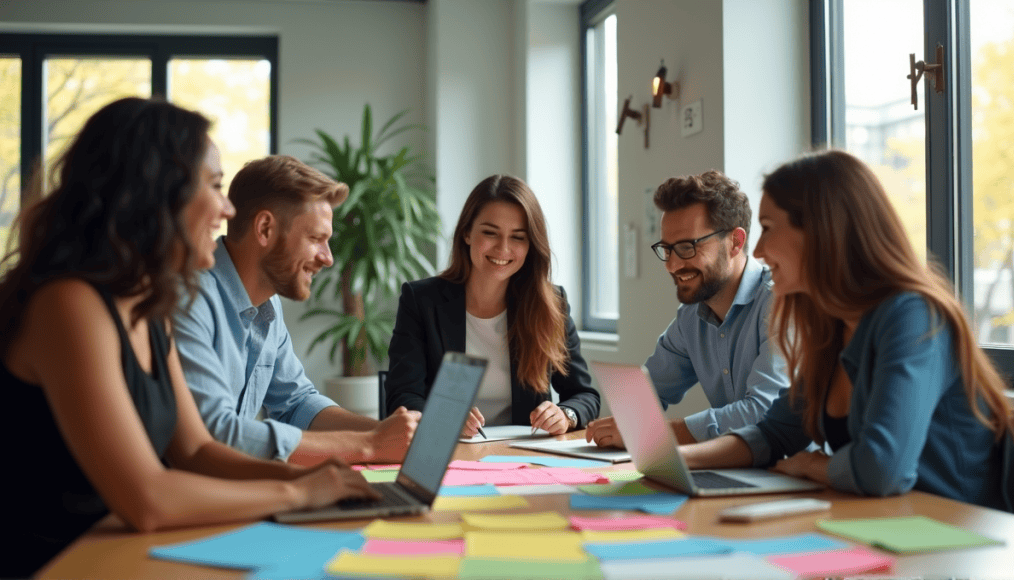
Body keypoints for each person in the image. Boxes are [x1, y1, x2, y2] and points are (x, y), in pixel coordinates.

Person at [0, 97, 378, 577]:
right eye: (216, 186)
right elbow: (147, 498)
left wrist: (322, 480)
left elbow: (197, 450)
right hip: (60, 563)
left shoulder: (149, 308)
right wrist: (300, 492)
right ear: (160, 194)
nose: (226, 209)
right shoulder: (70, 305)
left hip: (128, 552)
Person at [677, 150, 1014, 509]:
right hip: (884, 526)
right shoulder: (833, 327)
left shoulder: (914, 316)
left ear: (822, 231)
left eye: (769, 228)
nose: (758, 251)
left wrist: (812, 464)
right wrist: (678, 459)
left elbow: (882, 469)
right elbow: (774, 433)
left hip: (954, 546)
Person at [173, 155, 420, 466]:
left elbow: (297, 403)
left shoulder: (267, 304)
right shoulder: (189, 299)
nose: (328, 258)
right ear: (265, 229)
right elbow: (216, 433)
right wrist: (369, 444)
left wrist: (389, 435)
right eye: (316, 238)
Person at [385, 174, 600, 436]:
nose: (503, 248)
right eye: (490, 233)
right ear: (466, 233)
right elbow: (403, 396)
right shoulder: (421, 301)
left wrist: (566, 414)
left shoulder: (551, 304)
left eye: (518, 237)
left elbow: (584, 395)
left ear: (531, 244)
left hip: (523, 457)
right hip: (445, 454)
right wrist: (443, 417)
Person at [587, 170, 788, 448]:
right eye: (667, 249)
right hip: (737, 470)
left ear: (735, 242)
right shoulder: (691, 317)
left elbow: (764, 413)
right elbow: (648, 393)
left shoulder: (780, 303)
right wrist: (619, 426)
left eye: (686, 247)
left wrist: (651, 435)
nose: (672, 265)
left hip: (800, 477)